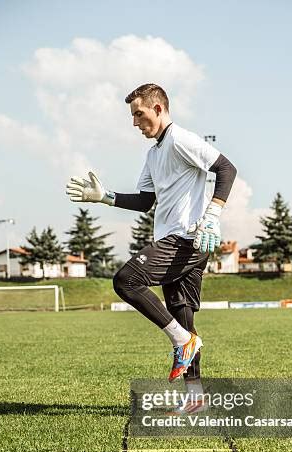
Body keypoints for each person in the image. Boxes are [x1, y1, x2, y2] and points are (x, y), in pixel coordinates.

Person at [66, 83, 237, 389]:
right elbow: (146, 202)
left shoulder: (180, 139)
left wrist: (212, 216)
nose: (135, 122)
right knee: (182, 314)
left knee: (126, 280)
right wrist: (106, 197)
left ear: (158, 109)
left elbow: (226, 169)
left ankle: (181, 341)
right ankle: (195, 397)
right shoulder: (153, 154)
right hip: (177, 239)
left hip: (187, 239)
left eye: (139, 114)